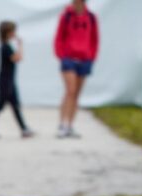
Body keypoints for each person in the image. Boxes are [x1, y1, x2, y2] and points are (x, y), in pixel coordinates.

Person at [54, 0, 99, 139]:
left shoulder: (91, 17)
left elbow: (94, 39)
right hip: (69, 59)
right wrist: (62, 55)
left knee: (77, 94)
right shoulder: (66, 16)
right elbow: (59, 38)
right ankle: (63, 124)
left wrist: (91, 57)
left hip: (84, 59)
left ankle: (70, 125)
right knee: (70, 91)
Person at [0, 21, 34, 139]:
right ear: (8, 32)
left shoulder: (7, 46)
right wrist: (20, 45)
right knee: (0, 105)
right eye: (13, 31)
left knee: (15, 106)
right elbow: (18, 58)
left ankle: (24, 129)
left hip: (10, 81)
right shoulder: (5, 47)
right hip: (5, 81)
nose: (15, 33)